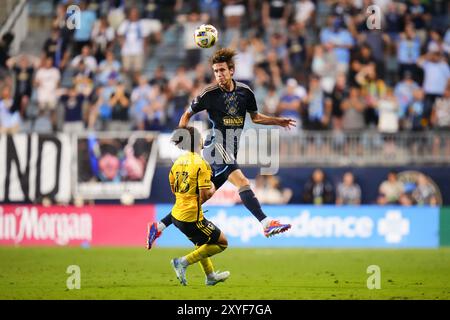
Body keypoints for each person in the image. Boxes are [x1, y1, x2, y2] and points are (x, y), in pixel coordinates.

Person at [147, 48, 296, 249]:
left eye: (222, 70)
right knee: (242, 181)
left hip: (229, 150)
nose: (219, 74)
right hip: (216, 145)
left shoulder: (245, 93)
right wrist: (181, 135)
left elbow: (256, 117)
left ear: (232, 70)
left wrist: (278, 121)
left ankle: (159, 226)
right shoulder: (209, 94)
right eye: (216, 71)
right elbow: (186, 115)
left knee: (203, 196)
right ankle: (266, 222)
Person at [164, 126, 230, 286]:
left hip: (177, 214)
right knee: (222, 243)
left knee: (201, 244)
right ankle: (182, 262)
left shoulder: (177, 163)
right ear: (198, 141)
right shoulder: (201, 164)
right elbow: (205, 195)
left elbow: (174, 189)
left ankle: (210, 276)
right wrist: (213, 188)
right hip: (191, 216)